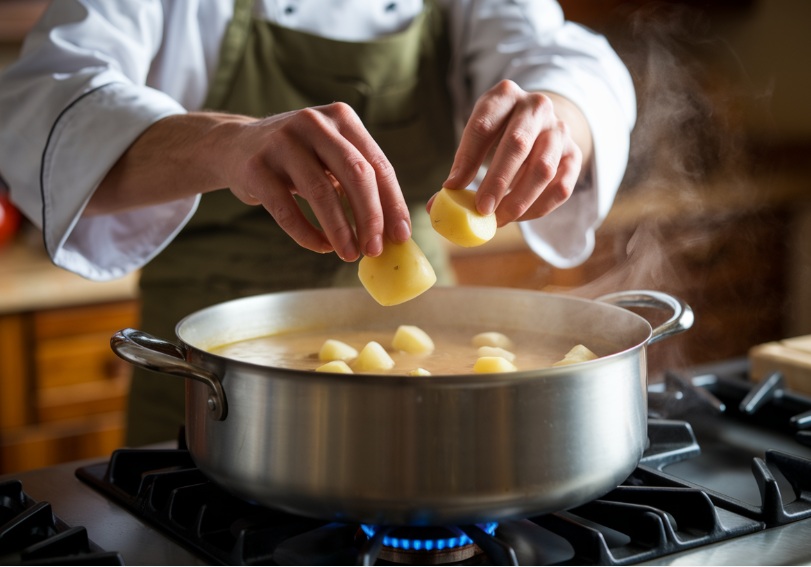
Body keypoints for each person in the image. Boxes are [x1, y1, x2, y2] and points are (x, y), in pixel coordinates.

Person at [0, 0, 636, 446]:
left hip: (431, 364)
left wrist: (557, 117)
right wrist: (224, 144)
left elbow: (558, 54)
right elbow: (38, 107)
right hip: (209, 383)